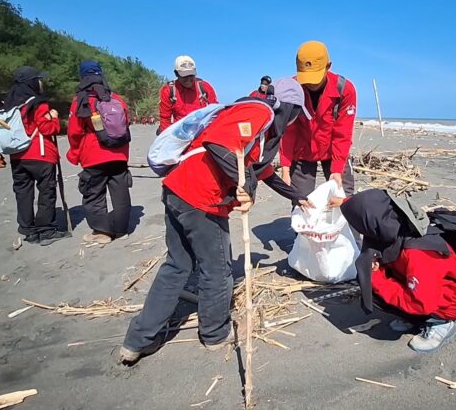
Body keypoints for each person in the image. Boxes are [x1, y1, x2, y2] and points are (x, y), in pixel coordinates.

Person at [120, 78, 313, 364]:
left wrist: (297, 197)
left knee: (177, 266)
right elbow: (218, 144)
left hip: (178, 190)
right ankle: (214, 333)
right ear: (288, 107)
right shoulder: (260, 112)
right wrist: (243, 184)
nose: (296, 120)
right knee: (217, 269)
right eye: (296, 113)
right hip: (201, 198)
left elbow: (262, 172)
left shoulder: (259, 125)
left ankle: (138, 340)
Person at [340, 189, 456, 353]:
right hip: (423, 287)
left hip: (451, 299)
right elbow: (362, 206)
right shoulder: (395, 226)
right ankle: (414, 319)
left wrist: (377, 278)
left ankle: (441, 323)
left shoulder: (417, 253)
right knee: (366, 272)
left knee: (374, 285)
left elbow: (421, 303)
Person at [280, 41, 357, 199]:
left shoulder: (345, 90)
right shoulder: (292, 89)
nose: (310, 83)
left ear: (328, 66)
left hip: (333, 149)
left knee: (343, 197)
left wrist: (336, 169)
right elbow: (288, 131)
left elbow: (342, 133)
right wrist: (285, 167)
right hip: (302, 150)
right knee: (300, 199)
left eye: (315, 76)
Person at [67, 61, 133, 244]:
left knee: (94, 193)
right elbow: (124, 125)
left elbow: (74, 132)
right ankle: (121, 231)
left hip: (94, 154)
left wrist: (74, 154)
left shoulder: (80, 100)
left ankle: (102, 232)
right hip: (118, 153)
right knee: (120, 191)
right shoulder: (116, 98)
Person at [4, 66, 69, 246]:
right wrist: (54, 117)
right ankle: (46, 229)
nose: (41, 82)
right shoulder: (38, 102)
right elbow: (48, 129)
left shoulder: (10, 104)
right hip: (40, 154)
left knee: (23, 193)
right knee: (46, 191)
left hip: (17, 155)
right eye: (38, 79)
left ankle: (28, 229)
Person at [157, 55, 218, 135]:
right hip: (180, 133)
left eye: (191, 75)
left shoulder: (205, 87)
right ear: (176, 74)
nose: (189, 80)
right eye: (185, 76)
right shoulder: (168, 91)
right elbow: (165, 119)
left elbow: (216, 112)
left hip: (203, 132)